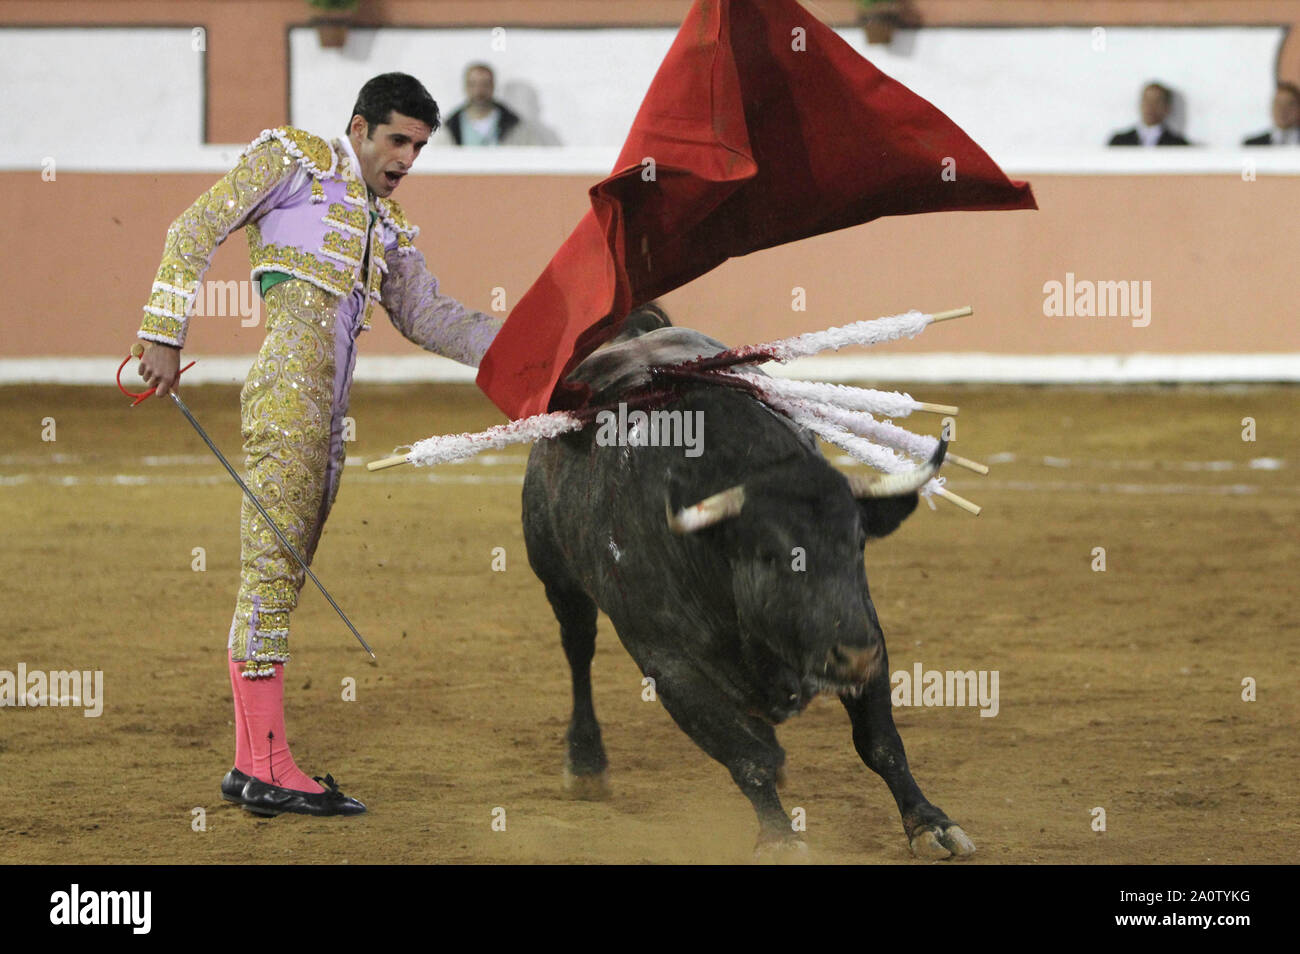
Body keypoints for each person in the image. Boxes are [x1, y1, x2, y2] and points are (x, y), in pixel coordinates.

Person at [135, 72, 502, 817]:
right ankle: (268, 765)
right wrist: (161, 332)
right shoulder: (296, 160)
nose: (408, 158)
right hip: (286, 398)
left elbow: (433, 317)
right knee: (271, 575)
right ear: (360, 127)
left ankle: (251, 764)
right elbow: (194, 227)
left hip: (327, 417)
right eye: (398, 139)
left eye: (421, 147)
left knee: (283, 576)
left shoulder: (384, 223)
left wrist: (531, 349)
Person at [435, 62, 557, 146]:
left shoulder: (516, 127)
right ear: (466, 87)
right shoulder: (449, 128)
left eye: (485, 84)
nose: (479, 91)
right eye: (473, 84)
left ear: (493, 86)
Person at [1108, 82, 1190, 146]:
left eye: (1157, 102)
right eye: (1147, 101)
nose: (1150, 106)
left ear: (1167, 107)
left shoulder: (1178, 144)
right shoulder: (1118, 142)